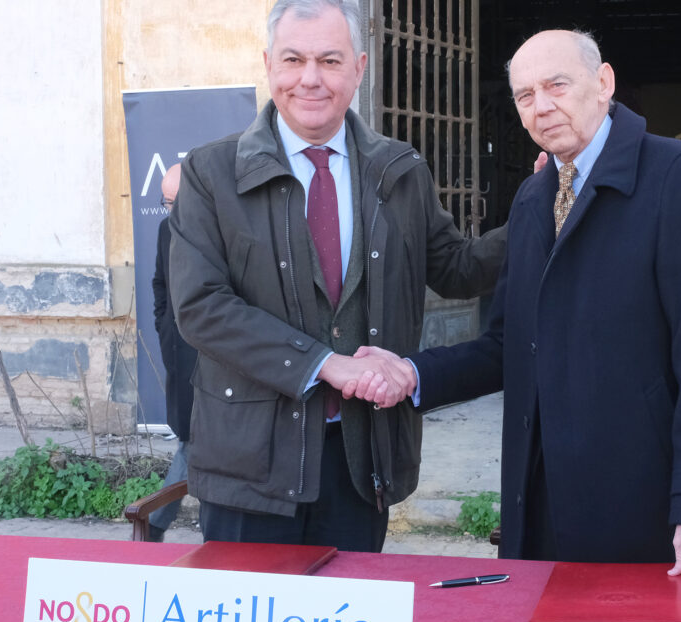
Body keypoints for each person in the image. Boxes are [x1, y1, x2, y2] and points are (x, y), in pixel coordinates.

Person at [356, 29, 681, 592]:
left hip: (638, 497)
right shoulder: (535, 198)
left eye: (557, 85)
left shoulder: (676, 177)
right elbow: (507, 343)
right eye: (524, 95)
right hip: (537, 496)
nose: (542, 106)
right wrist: (413, 374)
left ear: (603, 82)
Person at [167, 0, 505, 552]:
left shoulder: (400, 171)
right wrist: (327, 365)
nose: (310, 79)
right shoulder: (211, 173)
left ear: (360, 67)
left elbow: (456, 268)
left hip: (359, 458)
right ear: (268, 64)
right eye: (293, 59)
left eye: (329, 60)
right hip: (250, 466)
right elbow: (202, 307)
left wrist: (547, 209)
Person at [148, 163, 195, 542]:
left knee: (196, 443)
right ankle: (154, 522)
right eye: (166, 202)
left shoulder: (224, 228)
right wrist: (165, 328)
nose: (172, 210)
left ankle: (154, 522)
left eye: (178, 201)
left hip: (220, 359)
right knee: (190, 440)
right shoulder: (166, 230)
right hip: (181, 355)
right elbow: (160, 285)